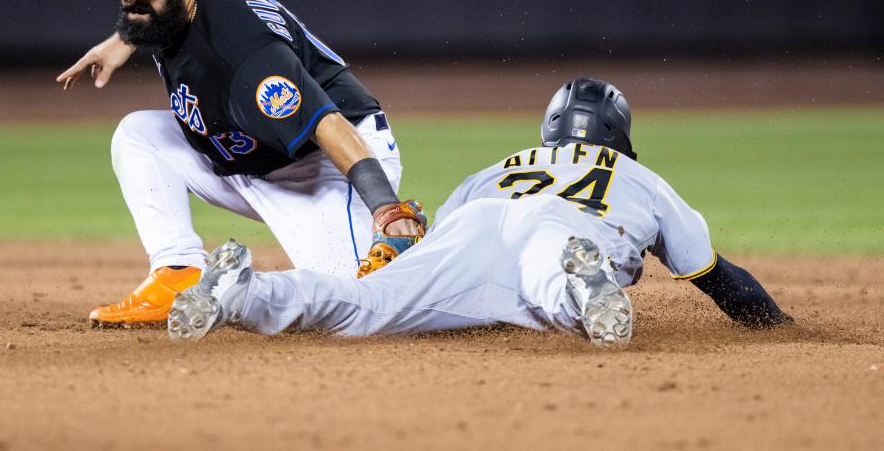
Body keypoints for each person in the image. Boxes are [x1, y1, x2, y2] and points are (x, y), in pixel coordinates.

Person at [166, 77, 792, 346]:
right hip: (564, 233)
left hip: (476, 220)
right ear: (619, 134)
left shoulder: (502, 164)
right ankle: (585, 287)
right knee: (555, 289)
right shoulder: (643, 179)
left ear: (549, 130)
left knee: (364, 307)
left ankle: (244, 291)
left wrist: (395, 260)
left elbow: (431, 242)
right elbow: (719, 281)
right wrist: (779, 325)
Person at [58, 0, 424, 327]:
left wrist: (385, 209)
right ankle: (178, 274)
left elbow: (328, 123)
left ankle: (452, 255)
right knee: (138, 136)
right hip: (250, 151)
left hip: (323, 166)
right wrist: (125, 36)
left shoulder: (246, 57)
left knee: (357, 307)